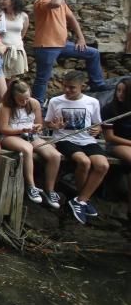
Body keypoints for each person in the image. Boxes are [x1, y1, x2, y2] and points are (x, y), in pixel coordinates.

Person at [44, 70, 108, 224]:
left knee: (103, 165)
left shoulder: (92, 102)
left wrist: (97, 129)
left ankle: (80, 200)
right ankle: (82, 198)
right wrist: (54, 125)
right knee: (84, 162)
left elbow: (97, 124)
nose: (67, 90)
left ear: (82, 86)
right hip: (64, 139)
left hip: (87, 140)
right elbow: (47, 123)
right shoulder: (55, 101)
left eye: (72, 88)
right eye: (65, 86)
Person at [31, 0, 106, 106]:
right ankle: (38, 105)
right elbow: (55, 3)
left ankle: (97, 85)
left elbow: (72, 19)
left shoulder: (62, 2)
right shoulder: (41, 1)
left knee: (93, 53)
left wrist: (81, 38)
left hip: (62, 45)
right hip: (46, 46)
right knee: (42, 78)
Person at [0, 79, 62, 207]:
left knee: (55, 156)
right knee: (27, 149)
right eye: (21, 100)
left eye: (27, 98)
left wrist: (37, 127)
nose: (25, 102)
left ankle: (50, 190)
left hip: (31, 135)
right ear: (13, 97)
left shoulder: (34, 103)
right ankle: (31, 186)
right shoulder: (5, 106)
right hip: (11, 135)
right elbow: (3, 128)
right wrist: (21, 130)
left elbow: (39, 124)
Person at [102, 77, 131, 197]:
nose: (120, 94)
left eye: (124, 92)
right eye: (118, 90)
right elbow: (109, 137)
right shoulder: (109, 109)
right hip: (117, 144)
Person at [0, 0, 29, 81]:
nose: (1, 1)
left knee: (13, 80)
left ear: (13, 0)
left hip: (16, 51)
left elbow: (22, 34)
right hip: (2, 51)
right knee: (0, 79)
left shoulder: (23, 16)